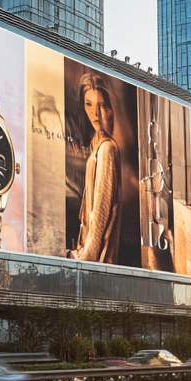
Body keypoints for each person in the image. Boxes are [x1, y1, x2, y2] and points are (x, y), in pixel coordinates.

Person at [68, 72, 120, 263]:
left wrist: (86, 257)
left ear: (109, 107)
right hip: (86, 250)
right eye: (88, 104)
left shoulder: (107, 149)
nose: (95, 114)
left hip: (97, 259)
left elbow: (101, 212)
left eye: (101, 105)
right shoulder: (95, 145)